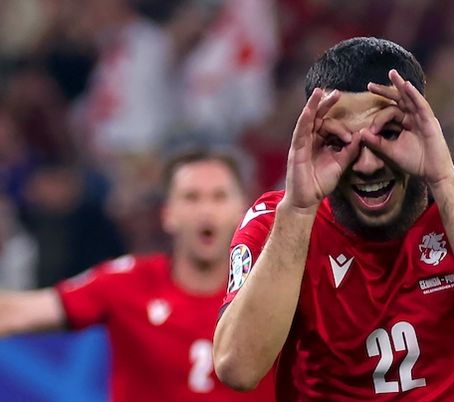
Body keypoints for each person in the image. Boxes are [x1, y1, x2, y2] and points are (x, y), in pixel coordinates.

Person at [214, 37, 454, 401]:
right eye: (338, 143)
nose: (367, 164)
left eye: (388, 134)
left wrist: (444, 181)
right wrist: (297, 210)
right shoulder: (275, 222)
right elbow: (238, 367)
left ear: (424, 126)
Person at [0, 149, 275, 402]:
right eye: (191, 197)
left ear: (241, 211)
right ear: (168, 214)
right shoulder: (125, 281)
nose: (205, 211)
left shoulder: (273, 294)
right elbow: (14, 313)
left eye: (219, 197)